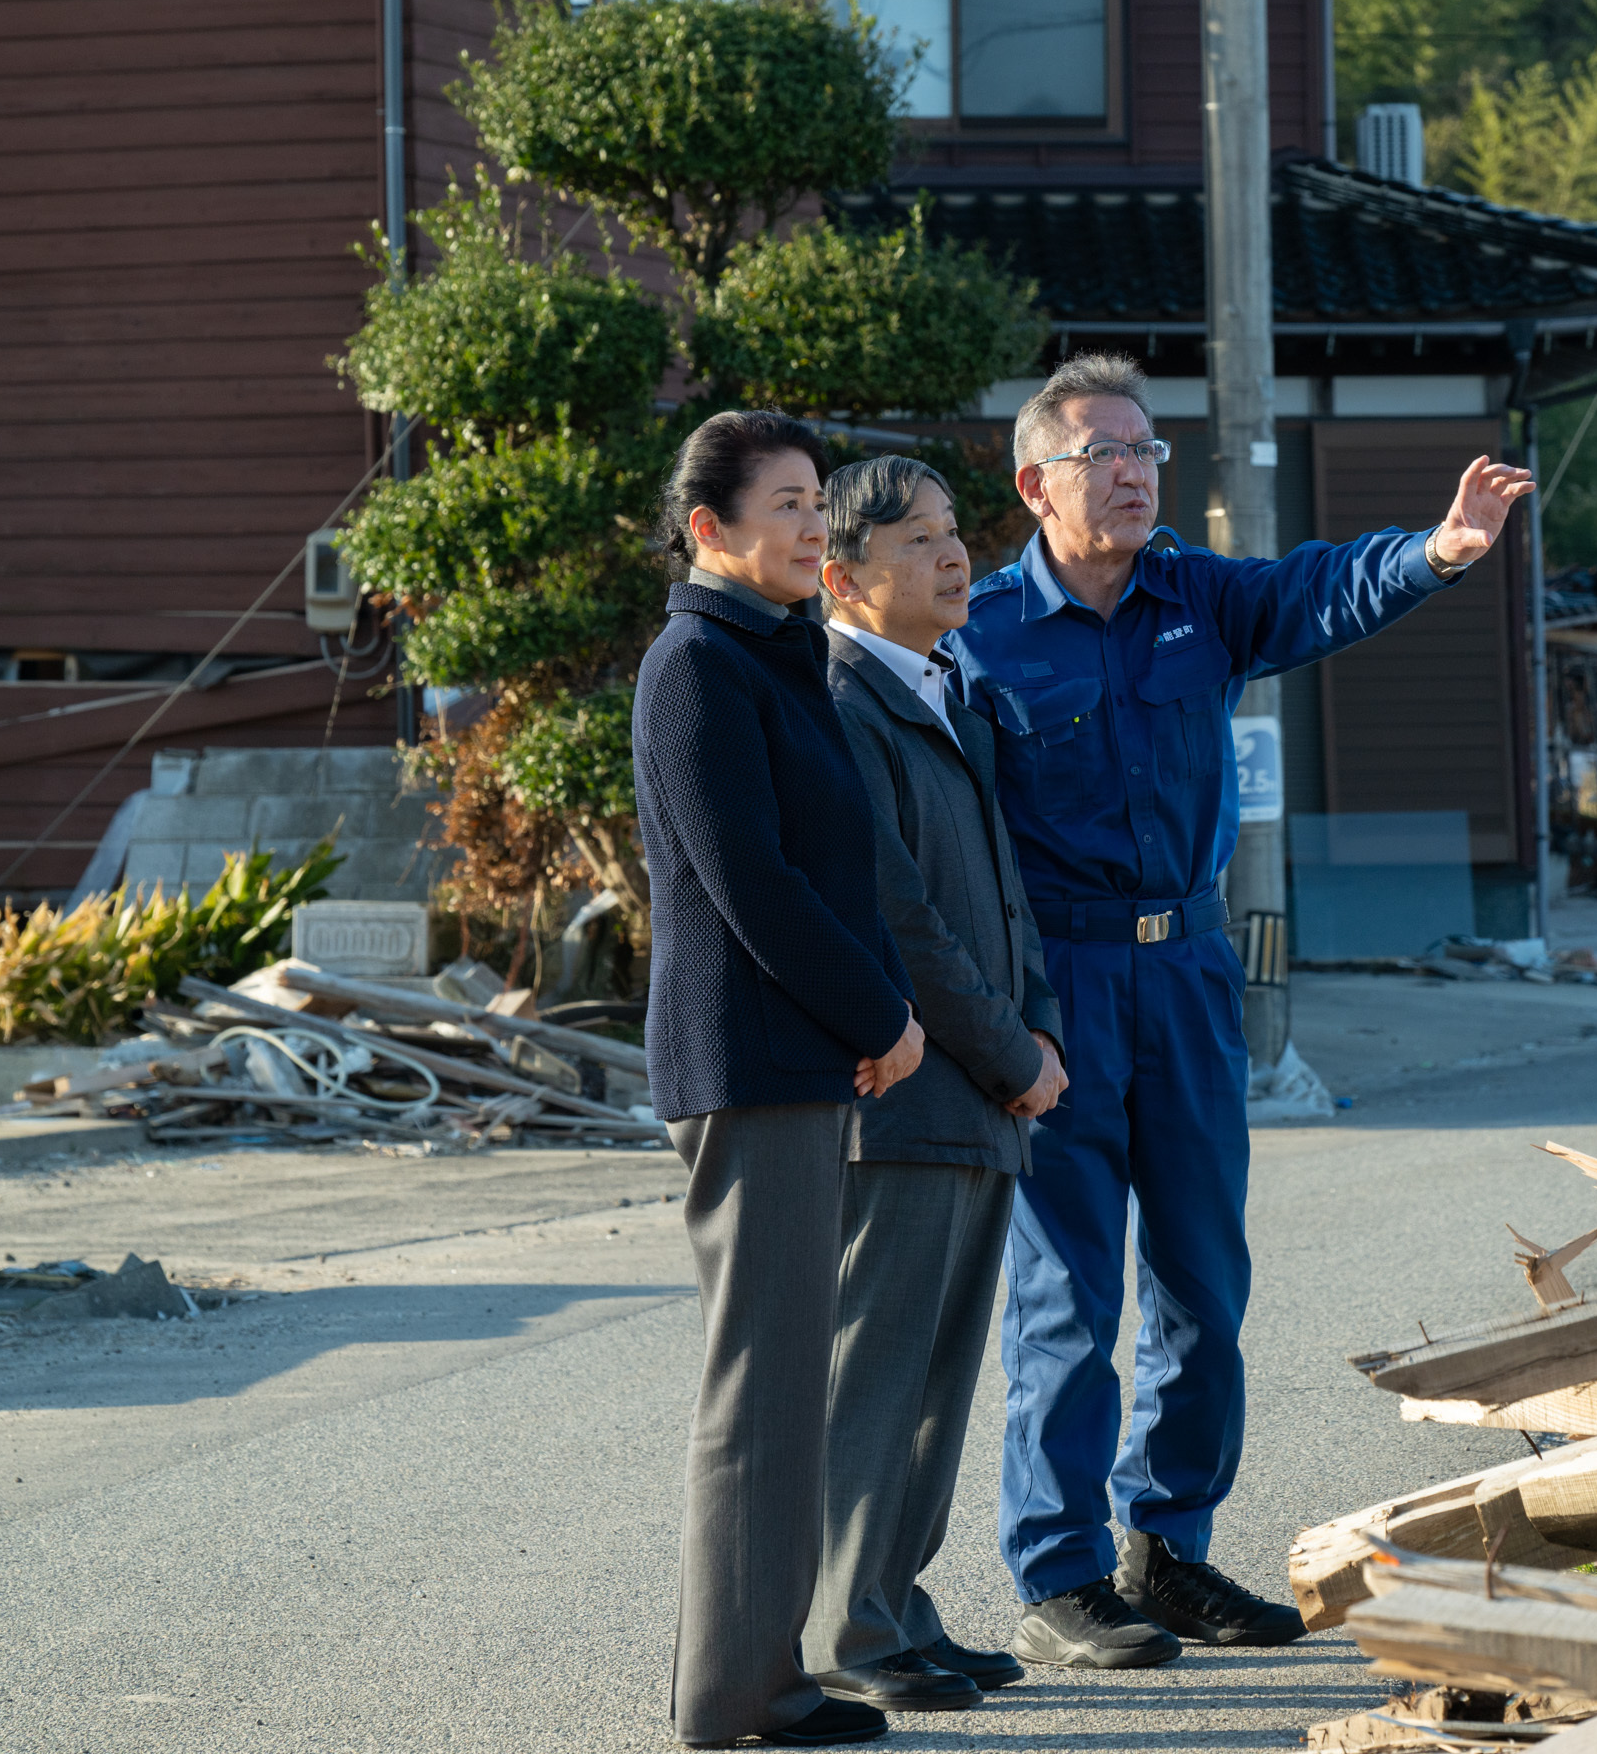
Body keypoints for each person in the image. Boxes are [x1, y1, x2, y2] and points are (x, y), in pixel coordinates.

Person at [951, 354, 1535, 1667]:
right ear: (1034, 481)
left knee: (1205, 1287)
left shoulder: (1199, 598)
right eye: (1105, 451)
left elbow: (1320, 588)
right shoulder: (979, 633)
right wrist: (992, 1017)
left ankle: (1168, 1549)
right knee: (1067, 1297)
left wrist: (1438, 551)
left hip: (1191, 974)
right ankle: (1060, 1572)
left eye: (1148, 448)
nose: (1136, 469)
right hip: (1061, 987)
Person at [634, 411, 927, 1749]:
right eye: (790, 505)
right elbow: (755, 884)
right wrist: (883, 1014)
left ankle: (765, 1678)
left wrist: (872, 1014)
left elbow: (836, 872)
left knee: (784, 1380)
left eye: (820, 503)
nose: (817, 526)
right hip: (751, 1059)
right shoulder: (698, 665)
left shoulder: (776, 655)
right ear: (711, 529)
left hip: (797, 1053)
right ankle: (736, 1700)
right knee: (761, 1388)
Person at [806, 455, 1072, 1713]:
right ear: (842, 578)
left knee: (939, 1377)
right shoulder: (844, 699)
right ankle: (849, 1632)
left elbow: (1005, 899)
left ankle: (898, 1605)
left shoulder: (950, 689)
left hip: (976, 1093)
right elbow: (899, 915)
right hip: (907, 1094)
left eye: (955, 532)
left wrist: (1040, 1033)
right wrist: (1015, 1052)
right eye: (916, 541)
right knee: (880, 1373)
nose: (955, 554)